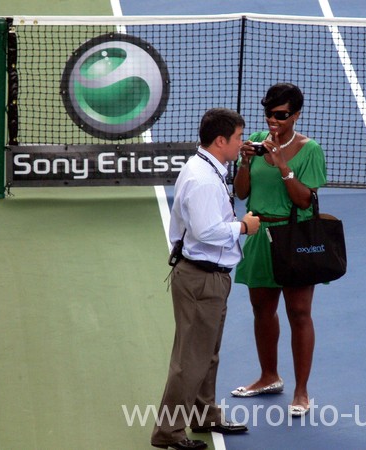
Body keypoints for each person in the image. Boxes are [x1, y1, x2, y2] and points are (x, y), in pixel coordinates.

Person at [151, 108, 261, 450]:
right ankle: (168, 432)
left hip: (211, 278)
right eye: (239, 138)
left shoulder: (211, 169)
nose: (243, 144)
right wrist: (243, 227)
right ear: (220, 140)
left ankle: (204, 414)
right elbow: (206, 230)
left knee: (207, 353)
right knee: (191, 359)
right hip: (201, 280)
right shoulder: (201, 179)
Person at [232, 83, 327, 416]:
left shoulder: (309, 150)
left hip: (294, 237)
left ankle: (301, 393)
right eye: (269, 113)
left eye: (281, 115)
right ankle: (269, 376)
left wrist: (282, 165)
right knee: (262, 310)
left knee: (299, 314)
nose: (273, 120)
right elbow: (242, 193)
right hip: (259, 234)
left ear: (296, 114)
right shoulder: (258, 140)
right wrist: (244, 162)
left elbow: (304, 199)